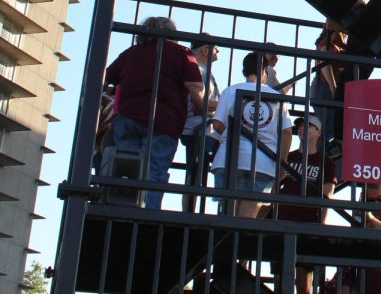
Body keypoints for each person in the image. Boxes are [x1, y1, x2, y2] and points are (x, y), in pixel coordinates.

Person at [105, 16, 204, 210]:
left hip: (128, 117)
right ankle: (146, 215)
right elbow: (194, 87)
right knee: (155, 168)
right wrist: (202, 107)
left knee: (127, 165)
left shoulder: (131, 53)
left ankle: (123, 209)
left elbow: (108, 78)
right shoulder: (181, 53)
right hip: (164, 120)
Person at [210, 51, 292, 217]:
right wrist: (282, 162)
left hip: (228, 159)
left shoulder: (230, 91)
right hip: (264, 163)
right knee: (248, 215)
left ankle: (226, 239)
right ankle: (238, 241)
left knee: (228, 212)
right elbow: (287, 132)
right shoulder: (277, 97)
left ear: (244, 72)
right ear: (264, 71)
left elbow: (217, 124)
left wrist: (232, 133)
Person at [276, 112, 337, 294]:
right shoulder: (289, 156)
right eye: (301, 125)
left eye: (308, 125)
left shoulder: (325, 162)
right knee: (280, 281)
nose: (302, 128)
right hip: (282, 221)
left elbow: (328, 194)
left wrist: (322, 223)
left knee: (303, 285)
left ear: (318, 133)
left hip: (307, 224)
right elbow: (275, 185)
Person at [180, 39, 220, 213]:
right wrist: (224, 105)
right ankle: (190, 212)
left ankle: (191, 211)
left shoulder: (204, 71)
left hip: (200, 128)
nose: (218, 53)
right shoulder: (198, 69)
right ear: (205, 49)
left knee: (197, 172)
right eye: (216, 49)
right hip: (197, 128)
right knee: (195, 173)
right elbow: (200, 104)